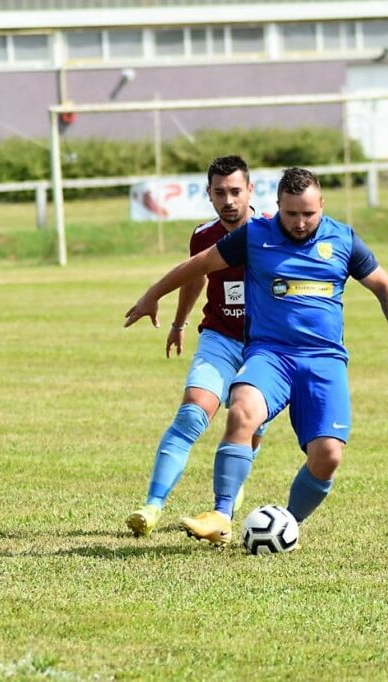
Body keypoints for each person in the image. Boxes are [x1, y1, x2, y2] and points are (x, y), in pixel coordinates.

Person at [124, 167, 388, 547]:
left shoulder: (343, 239)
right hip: (271, 355)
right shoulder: (254, 237)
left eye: (308, 214)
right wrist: (153, 295)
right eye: (291, 213)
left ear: (322, 206)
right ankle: (221, 513)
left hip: (324, 361)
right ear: (277, 205)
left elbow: (384, 284)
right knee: (242, 410)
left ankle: (287, 524)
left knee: (328, 456)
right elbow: (198, 265)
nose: (300, 223)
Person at [125, 155, 270, 537]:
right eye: (220, 192)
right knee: (192, 413)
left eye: (236, 191)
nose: (229, 201)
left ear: (250, 191)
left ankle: (227, 498)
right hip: (219, 337)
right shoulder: (204, 235)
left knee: (247, 425)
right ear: (208, 194)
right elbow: (196, 276)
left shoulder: (274, 231)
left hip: (266, 347)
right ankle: (151, 507)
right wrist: (179, 322)